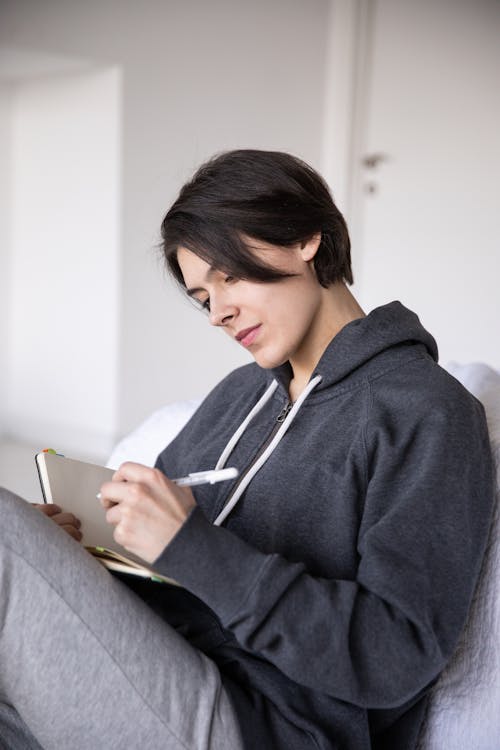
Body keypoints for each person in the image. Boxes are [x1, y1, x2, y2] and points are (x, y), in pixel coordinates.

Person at [0, 150, 494, 750]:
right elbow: (151, 555)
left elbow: (397, 652)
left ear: (305, 238)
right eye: (203, 297)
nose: (218, 313)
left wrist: (192, 547)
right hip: (152, 666)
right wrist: (76, 550)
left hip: (262, 723)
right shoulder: (240, 395)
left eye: (229, 276)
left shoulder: (424, 411)